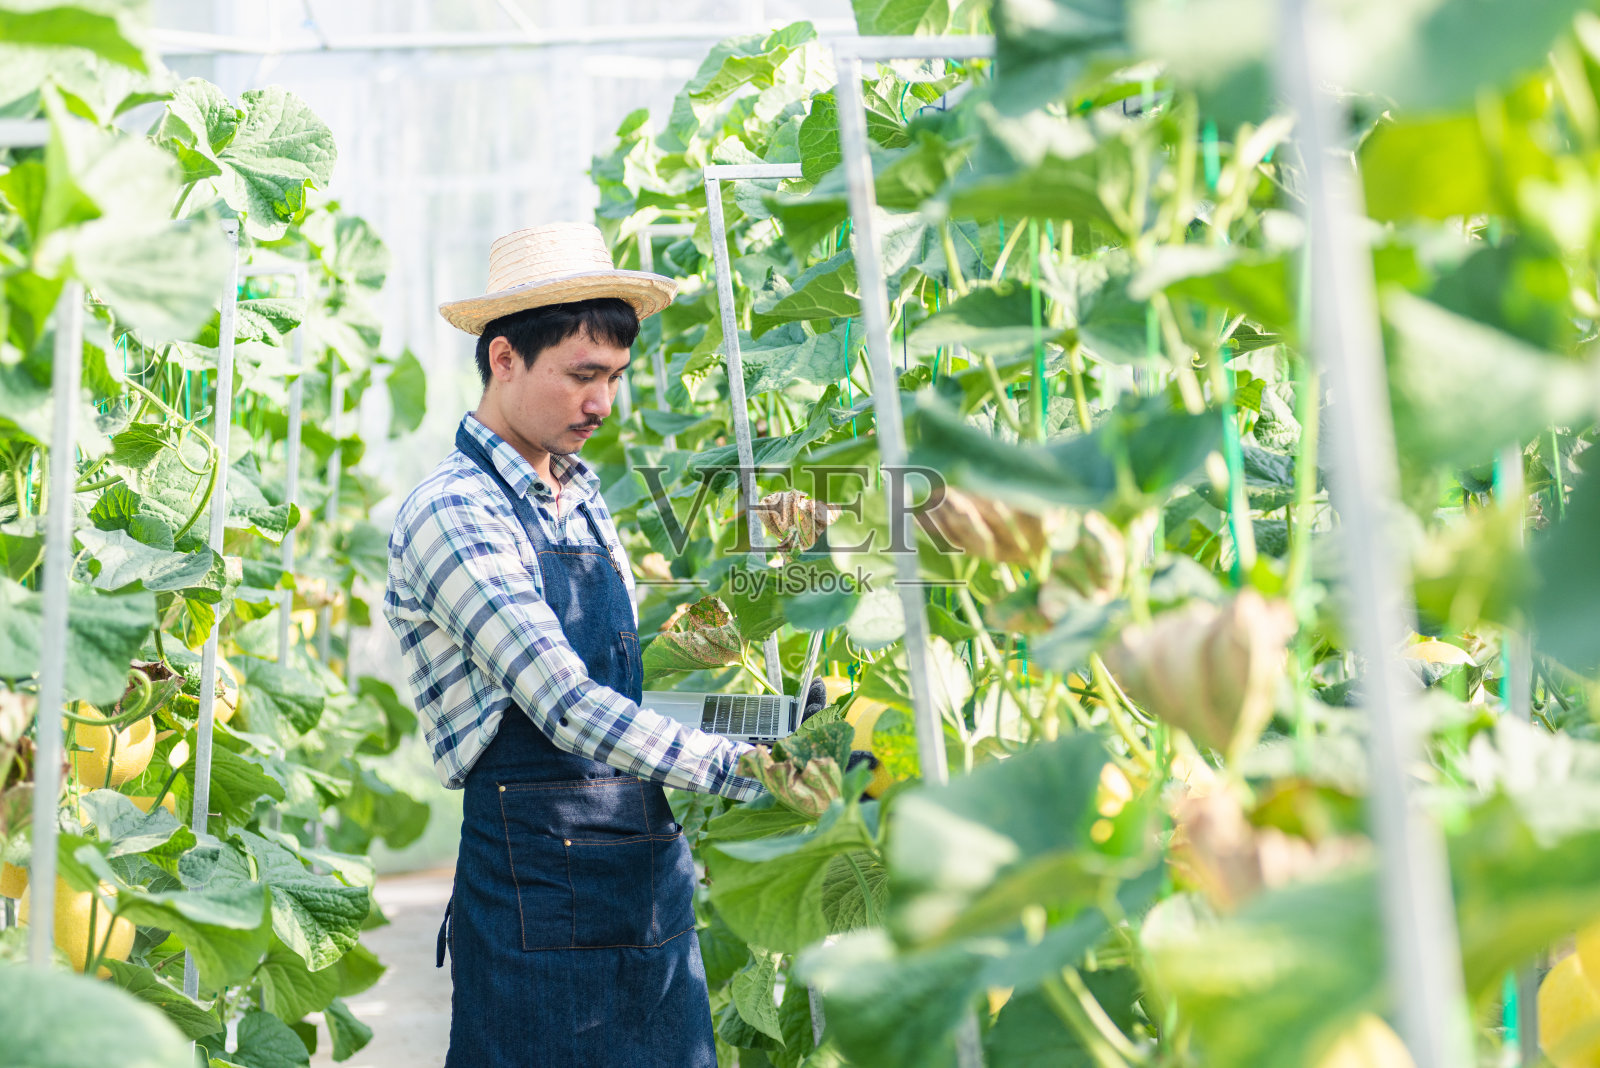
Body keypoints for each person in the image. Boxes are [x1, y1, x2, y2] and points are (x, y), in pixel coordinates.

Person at [383, 222, 764, 1067]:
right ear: (505, 359)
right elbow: (566, 703)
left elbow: (624, 697)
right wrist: (745, 771)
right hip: (539, 894)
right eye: (582, 376)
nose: (603, 405)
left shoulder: (579, 494)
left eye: (616, 378)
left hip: (642, 880)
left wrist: (771, 723)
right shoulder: (457, 510)